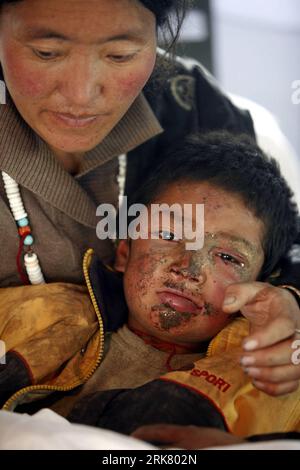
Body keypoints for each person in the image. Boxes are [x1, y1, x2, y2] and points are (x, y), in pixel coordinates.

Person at [0, 0, 299, 397]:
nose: (82, 94)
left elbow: (284, 235)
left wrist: (292, 299)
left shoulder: (188, 107)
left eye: (121, 54)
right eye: (46, 52)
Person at [1, 132, 300, 446]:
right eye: (169, 235)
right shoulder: (42, 316)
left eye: (227, 257)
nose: (188, 269)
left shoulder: (276, 379)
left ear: (261, 287)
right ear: (125, 252)